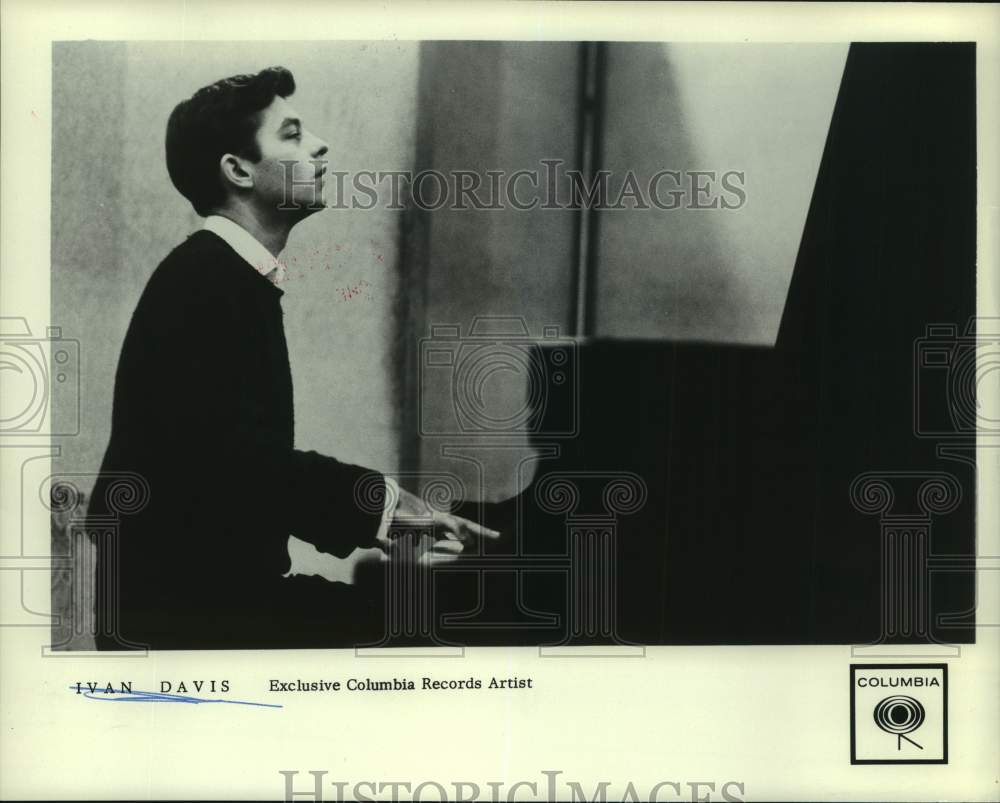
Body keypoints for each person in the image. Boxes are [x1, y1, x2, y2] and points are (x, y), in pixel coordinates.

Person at [88, 66, 497, 650]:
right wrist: (383, 509)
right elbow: (240, 462)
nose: (320, 145)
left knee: (412, 623)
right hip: (184, 618)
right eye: (292, 135)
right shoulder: (205, 282)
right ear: (238, 170)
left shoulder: (224, 276)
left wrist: (386, 509)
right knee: (421, 629)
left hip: (201, 601)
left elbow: (237, 464)